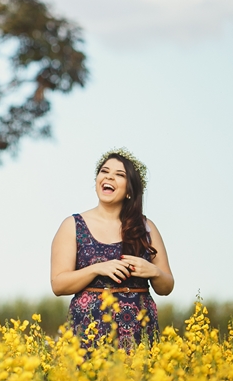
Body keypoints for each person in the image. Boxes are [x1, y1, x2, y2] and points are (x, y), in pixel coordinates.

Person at [50, 148, 173, 349]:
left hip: (139, 331)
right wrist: (97, 268)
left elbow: (166, 287)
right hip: (88, 330)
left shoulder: (146, 227)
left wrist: (154, 272)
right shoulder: (73, 225)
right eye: (104, 171)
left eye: (119, 174)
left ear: (130, 189)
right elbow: (58, 284)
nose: (109, 177)